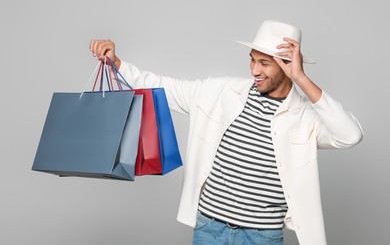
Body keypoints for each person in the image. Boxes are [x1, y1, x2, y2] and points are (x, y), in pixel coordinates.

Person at [89, 20, 363, 245]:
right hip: (210, 228)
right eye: (252, 60)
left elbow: (349, 135)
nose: (255, 70)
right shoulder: (221, 92)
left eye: (265, 63)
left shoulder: (305, 117)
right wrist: (118, 63)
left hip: (262, 236)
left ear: (287, 65)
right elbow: (163, 87)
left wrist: (301, 78)